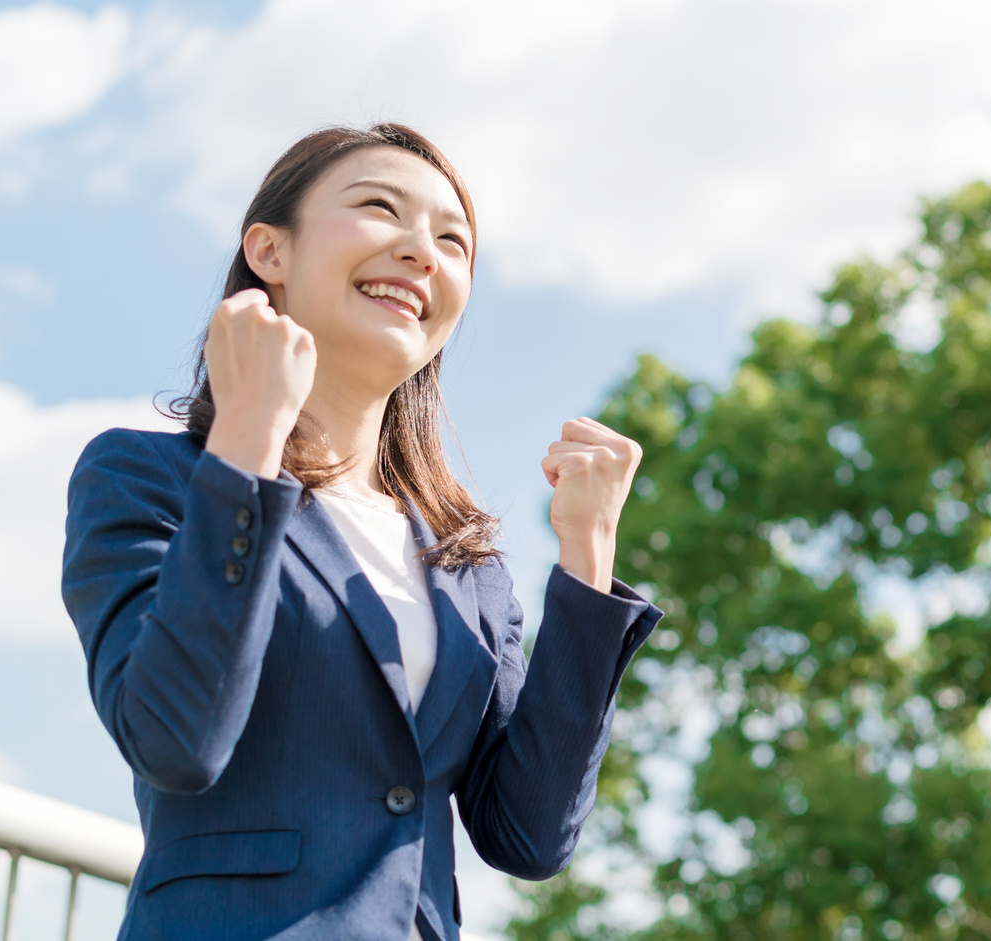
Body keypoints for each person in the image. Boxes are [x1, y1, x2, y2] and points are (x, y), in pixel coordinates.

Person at [61, 124, 661, 941]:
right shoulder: (146, 479)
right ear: (269, 251)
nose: (424, 251)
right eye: (381, 208)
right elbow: (175, 739)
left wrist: (588, 556)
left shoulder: (467, 567)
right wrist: (246, 445)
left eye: (453, 241)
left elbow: (528, 834)